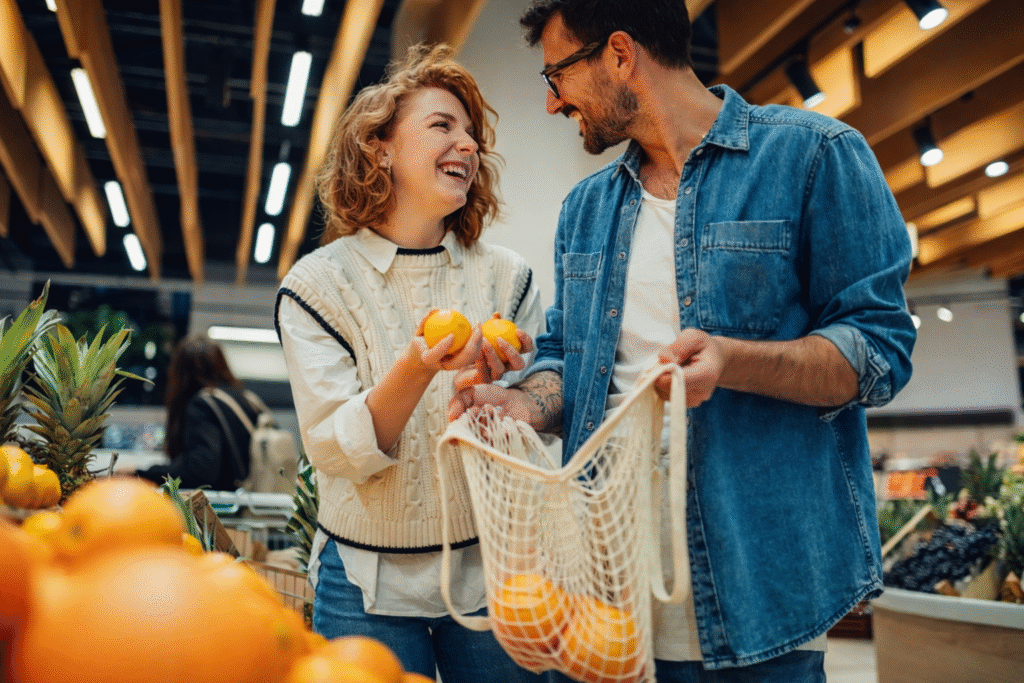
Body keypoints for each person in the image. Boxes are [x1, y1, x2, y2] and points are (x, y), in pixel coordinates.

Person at [449, 1, 917, 680]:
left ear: (618, 53)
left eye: (555, 76)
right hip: (608, 601)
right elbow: (565, 356)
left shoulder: (815, 157)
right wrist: (524, 403)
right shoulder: (586, 210)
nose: (551, 103)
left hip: (766, 596)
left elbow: (878, 350)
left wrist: (733, 362)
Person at [274, 44, 545, 682]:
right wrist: (418, 365)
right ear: (381, 148)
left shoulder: (509, 278)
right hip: (366, 584)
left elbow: (538, 420)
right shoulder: (317, 287)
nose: (468, 145)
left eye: (472, 135)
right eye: (442, 126)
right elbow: (337, 450)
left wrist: (512, 389)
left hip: (493, 572)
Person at [136, 333, 263, 490]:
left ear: (181, 372)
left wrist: (144, 474)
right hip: (258, 502)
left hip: (225, 509)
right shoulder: (246, 400)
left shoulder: (202, 405)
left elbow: (200, 470)